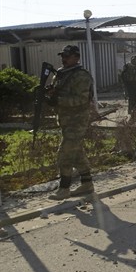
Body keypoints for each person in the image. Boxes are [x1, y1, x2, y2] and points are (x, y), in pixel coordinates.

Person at [47, 45, 96, 200]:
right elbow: (58, 93)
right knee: (76, 151)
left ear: (76, 57)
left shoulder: (81, 76)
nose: (64, 59)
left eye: (67, 56)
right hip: (65, 120)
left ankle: (64, 188)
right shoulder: (61, 74)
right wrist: (49, 94)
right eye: (63, 56)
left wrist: (57, 100)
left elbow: (81, 100)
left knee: (65, 153)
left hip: (77, 120)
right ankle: (87, 184)